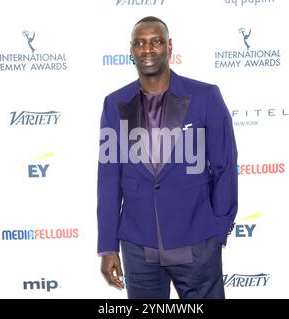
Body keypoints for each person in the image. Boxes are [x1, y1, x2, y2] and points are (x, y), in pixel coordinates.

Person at [97, 16, 238, 299]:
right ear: (131, 50)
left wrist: (217, 231)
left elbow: (225, 167)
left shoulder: (206, 96)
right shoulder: (115, 103)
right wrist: (108, 246)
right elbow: (109, 178)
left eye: (156, 41)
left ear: (169, 47)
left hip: (197, 242)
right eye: (140, 43)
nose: (147, 49)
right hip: (139, 247)